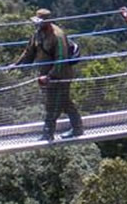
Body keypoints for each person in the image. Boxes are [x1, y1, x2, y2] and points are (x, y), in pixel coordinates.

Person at [15, 8, 83, 140]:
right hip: (45, 75)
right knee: (65, 102)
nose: (37, 24)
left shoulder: (57, 36)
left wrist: (49, 76)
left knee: (52, 104)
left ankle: (48, 133)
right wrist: (17, 64)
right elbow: (29, 51)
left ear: (47, 22)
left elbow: (61, 59)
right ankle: (78, 128)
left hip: (60, 76)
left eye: (40, 22)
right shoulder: (38, 33)